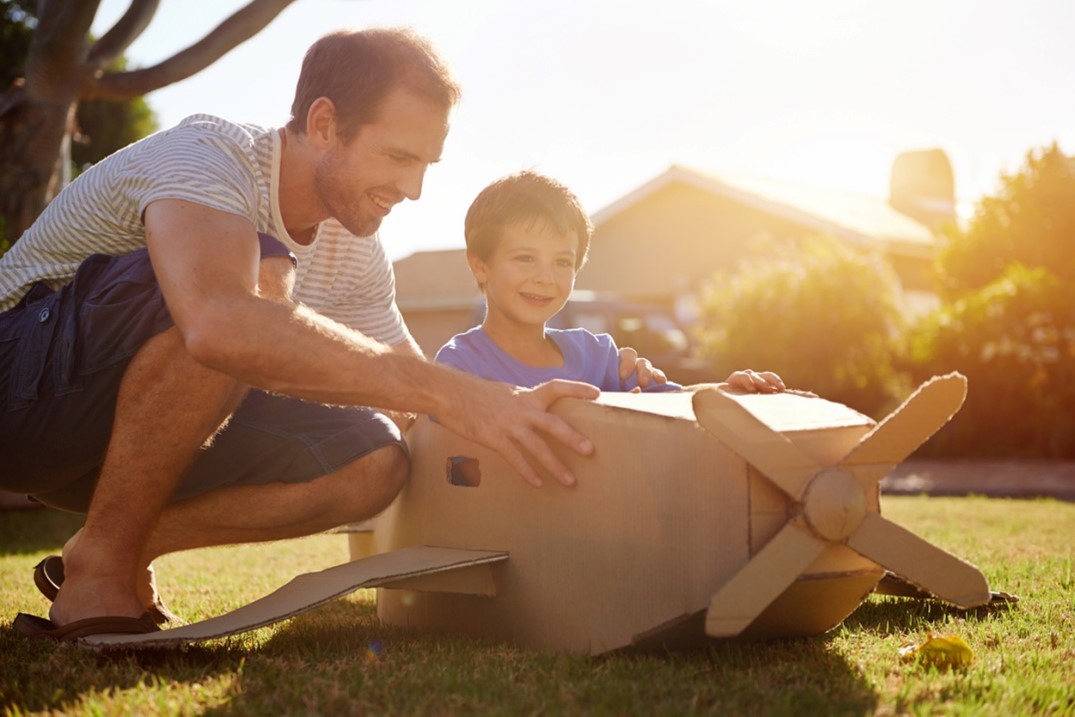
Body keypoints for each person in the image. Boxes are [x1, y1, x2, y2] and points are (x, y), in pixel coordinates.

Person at [0, 29, 659, 640]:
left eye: (427, 162)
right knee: (247, 294)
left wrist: (524, 409)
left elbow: (413, 396)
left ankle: (111, 546)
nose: (414, 188)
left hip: (115, 445)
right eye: (399, 156)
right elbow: (219, 320)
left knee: (373, 454)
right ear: (323, 124)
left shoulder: (354, 249)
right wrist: (458, 395)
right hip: (18, 397)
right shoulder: (209, 156)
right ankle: (104, 578)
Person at [436, 171, 786, 395]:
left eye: (562, 261)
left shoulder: (598, 356)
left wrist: (725, 391)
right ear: (480, 266)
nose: (545, 277)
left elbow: (677, 404)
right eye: (525, 258)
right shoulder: (460, 367)